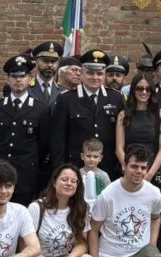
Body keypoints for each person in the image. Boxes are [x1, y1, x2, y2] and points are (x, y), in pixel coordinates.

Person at [0, 54, 51, 209]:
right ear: (7, 79)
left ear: (30, 79)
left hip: (25, 173)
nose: (18, 81)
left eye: (23, 76)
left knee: (22, 214)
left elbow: (43, 145)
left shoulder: (41, 109)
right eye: (14, 77)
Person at [51, 50, 125, 180]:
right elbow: (57, 138)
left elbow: (123, 133)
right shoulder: (66, 99)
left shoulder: (116, 98)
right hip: (75, 168)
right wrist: (60, 169)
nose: (95, 77)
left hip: (108, 167)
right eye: (90, 73)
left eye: (99, 73)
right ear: (81, 73)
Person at [116, 73, 161, 199]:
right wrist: (129, 170)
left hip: (152, 169)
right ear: (133, 90)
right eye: (140, 88)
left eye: (148, 89)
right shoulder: (123, 115)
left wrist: (149, 174)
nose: (144, 92)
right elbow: (119, 148)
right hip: (128, 169)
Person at [30, 41, 64, 110]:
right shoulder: (26, 89)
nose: (50, 65)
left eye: (53, 61)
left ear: (58, 63)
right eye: (45, 61)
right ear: (36, 62)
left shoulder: (63, 91)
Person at [79, 139, 112, 204]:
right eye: (88, 156)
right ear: (82, 156)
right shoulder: (77, 173)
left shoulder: (104, 175)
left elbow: (110, 193)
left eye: (95, 157)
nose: (91, 159)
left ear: (100, 158)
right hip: (80, 206)